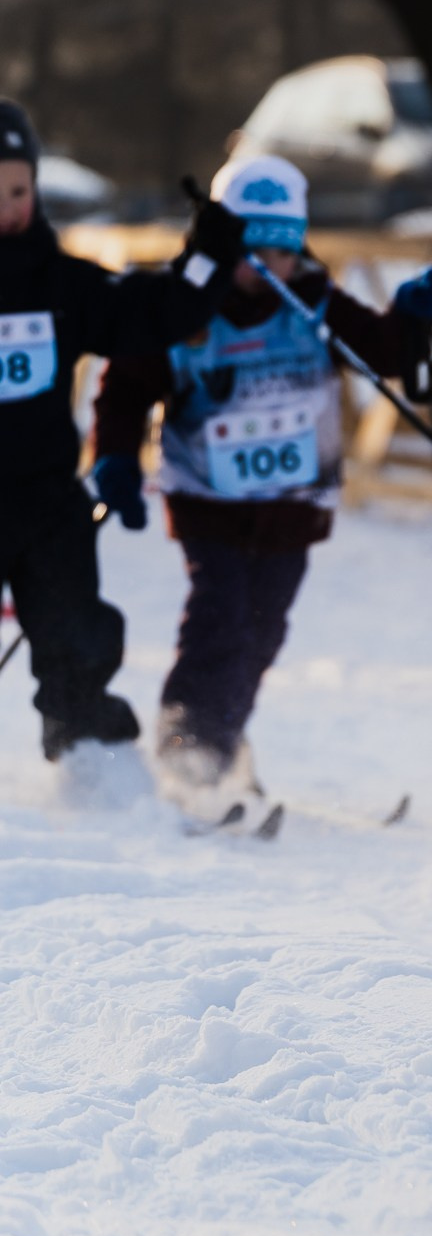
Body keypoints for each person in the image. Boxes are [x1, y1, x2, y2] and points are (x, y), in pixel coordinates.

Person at [90, 155, 432, 809]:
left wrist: (412, 321)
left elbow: (384, 352)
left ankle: (221, 739)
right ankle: (187, 744)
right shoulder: (184, 306)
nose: (266, 266)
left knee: (262, 629)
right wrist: (113, 458)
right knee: (219, 616)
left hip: (292, 506)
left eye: (282, 250)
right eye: (251, 249)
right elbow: (125, 388)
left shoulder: (316, 303)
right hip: (209, 499)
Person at [0, 98, 239, 761]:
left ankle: (90, 763)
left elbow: (147, 312)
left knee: (77, 637)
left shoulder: (61, 283)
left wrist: (207, 259)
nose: (7, 206)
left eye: (17, 189)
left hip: (47, 501)